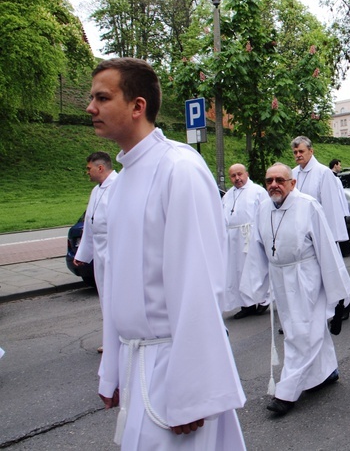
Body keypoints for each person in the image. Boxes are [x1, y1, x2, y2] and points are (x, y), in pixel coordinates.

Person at [87, 58, 245, 449]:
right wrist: (113, 369)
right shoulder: (122, 183)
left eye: (102, 98)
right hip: (139, 361)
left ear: (137, 106)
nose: (90, 107)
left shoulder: (179, 169)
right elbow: (116, 283)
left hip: (173, 370)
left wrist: (192, 392)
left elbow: (199, 284)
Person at [241, 163, 350, 416]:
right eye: (269, 180)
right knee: (304, 330)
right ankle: (327, 372)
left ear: (292, 183)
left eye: (280, 180)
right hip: (281, 278)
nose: (274, 185)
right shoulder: (262, 209)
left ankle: (286, 392)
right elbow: (258, 251)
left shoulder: (308, 205)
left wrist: (339, 295)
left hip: (307, 279)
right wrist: (253, 289)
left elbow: (327, 249)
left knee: (303, 335)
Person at [73, 151, 118, 354]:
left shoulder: (120, 185)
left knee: (116, 293)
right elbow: (90, 225)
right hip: (100, 248)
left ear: (101, 167)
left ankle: (121, 337)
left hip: (116, 247)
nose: (87, 172)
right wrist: (83, 255)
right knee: (104, 295)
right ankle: (110, 339)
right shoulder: (96, 191)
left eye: (89, 168)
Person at [291, 136, 350, 259]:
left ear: (311, 151)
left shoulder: (323, 172)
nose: (298, 155)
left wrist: (332, 237)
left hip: (319, 230)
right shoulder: (293, 173)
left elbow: (331, 207)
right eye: (295, 152)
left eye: (301, 151)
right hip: (299, 231)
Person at [223, 163, 268, 319]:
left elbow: (265, 213)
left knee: (256, 269)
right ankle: (246, 304)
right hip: (233, 239)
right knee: (238, 272)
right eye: (233, 176)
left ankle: (263, 300)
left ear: (246, 174)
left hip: (251, 235)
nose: (237, 178)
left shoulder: (257, 191)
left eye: (240, 174)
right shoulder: (228, 195)